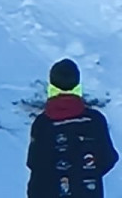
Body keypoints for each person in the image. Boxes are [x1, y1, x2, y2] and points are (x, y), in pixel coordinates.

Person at [27, 58, 117, 198]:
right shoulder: (95, 121)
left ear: (51, 87)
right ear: (77, 86)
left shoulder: (43, 124)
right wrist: (86, 174)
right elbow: (108, 158)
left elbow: (35, 165)